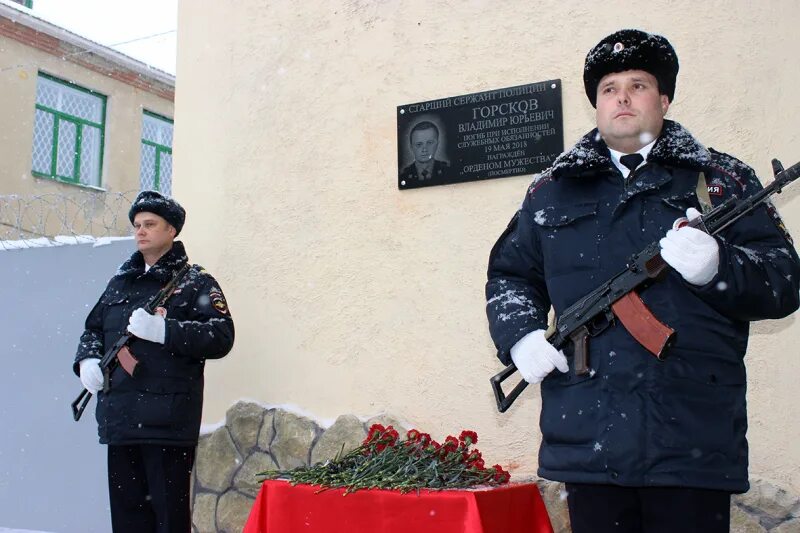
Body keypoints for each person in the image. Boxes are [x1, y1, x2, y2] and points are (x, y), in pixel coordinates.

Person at [485, 29, 800, 533]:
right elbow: (511, 274)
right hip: (588, 441)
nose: (623, 98)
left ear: (664, 99)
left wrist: (717, 267)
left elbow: (784, 281)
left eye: (638, 85)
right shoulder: (552, 191)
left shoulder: (720, 181)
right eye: (609, 89)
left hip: (691, 440)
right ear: (596, 105)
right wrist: (521, 336)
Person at [74, 190, 235, 533]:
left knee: (167, 522)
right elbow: (93, 328)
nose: (141, 231)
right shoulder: (121, 282)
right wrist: (87, 360)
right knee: (128, 521)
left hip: (167, 423)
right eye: (136, 225)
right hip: (120, 420)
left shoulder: (195, 282)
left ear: (171, 230)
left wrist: (166, 330)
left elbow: (221, 336)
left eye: (150, 224)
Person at [400, 120, 451, 185]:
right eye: (419, 144)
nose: (424, 149)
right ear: (411, 147)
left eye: (429, 143)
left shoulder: (448, 172)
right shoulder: (404, 176)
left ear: (437, 144)